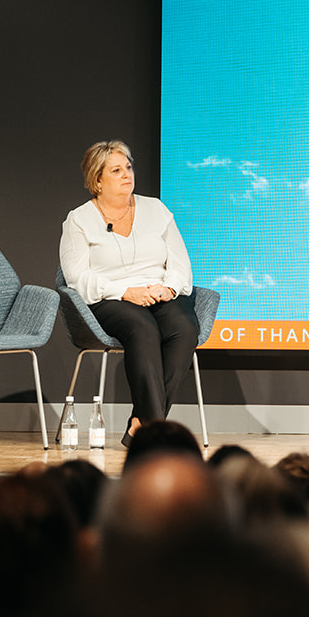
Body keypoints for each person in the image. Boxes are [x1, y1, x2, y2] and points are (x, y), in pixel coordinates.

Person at [59, 140, 199, 447]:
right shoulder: (79, 220)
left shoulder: (156, 209)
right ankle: (157, 434)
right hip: (109, 298)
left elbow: (181, 264)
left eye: (129, 167)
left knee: (184, 328)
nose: (127, 175)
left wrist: (168, 287)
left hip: (158, 292)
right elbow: (77, 278)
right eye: (116, 170)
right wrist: (125, 292)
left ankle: (142, 423)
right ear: (97, 180)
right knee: (142, 328)